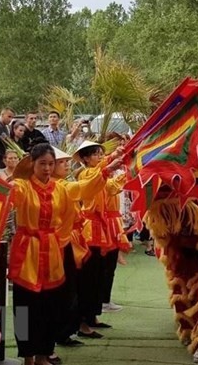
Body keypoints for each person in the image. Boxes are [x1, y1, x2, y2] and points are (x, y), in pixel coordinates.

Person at [8, 143, 123, 365]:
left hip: (52, 252)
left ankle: (44, 354)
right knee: (24, 307)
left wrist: (107, 170)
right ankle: (27, 357)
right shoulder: (22, 187)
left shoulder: (61, 188)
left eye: (51, 164)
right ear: (32, 164)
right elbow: (6, 195)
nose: (48, 168)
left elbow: (84, 188)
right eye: (43, 164)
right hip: (27, 252)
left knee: (50, 305)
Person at [74, 141, 129, 337]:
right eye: (95, 154)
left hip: (104, 227)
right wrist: (113, 157)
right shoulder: (86, 174)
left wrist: (124, 173)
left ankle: (93, 316)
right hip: (90, 229)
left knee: (100, 274)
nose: (99, 156)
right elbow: (100, 175)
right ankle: (82, 321)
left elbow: (111, 186)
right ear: (85, 158)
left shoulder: (100, 175)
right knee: (89, 276)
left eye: (100, 153)